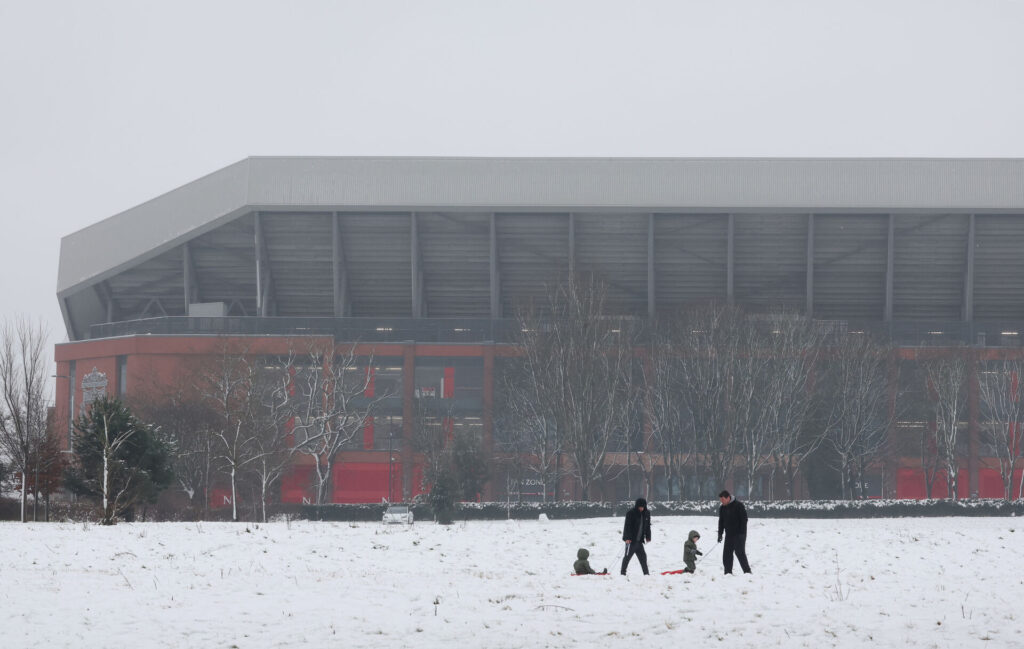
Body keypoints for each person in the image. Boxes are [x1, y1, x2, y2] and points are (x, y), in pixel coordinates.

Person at [717, 490, 751, 575]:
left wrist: (741, 533)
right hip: (729, 534)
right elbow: (721, 522)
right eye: (721, 500)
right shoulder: (722, 508)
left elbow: (744, 520)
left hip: (739, 534)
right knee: (726, 554)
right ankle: (728, 573)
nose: (722, 502)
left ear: (728, 498)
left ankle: (747, 572)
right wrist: (720, 534)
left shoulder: (738, 505)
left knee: (740, 553)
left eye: (723, 500)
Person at [620, 497, 652, 575]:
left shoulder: (646, 513)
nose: (641, 508)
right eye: (640, 507)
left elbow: (648, 526)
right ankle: (622, 573)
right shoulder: (631, 513)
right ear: (637, 506)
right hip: (631, 541)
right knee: (627, 557)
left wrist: (648, 536)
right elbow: (627, 526)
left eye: (643, 507)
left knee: (643, 558)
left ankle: (646, 574)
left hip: (639, 541)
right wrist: (627, 538)